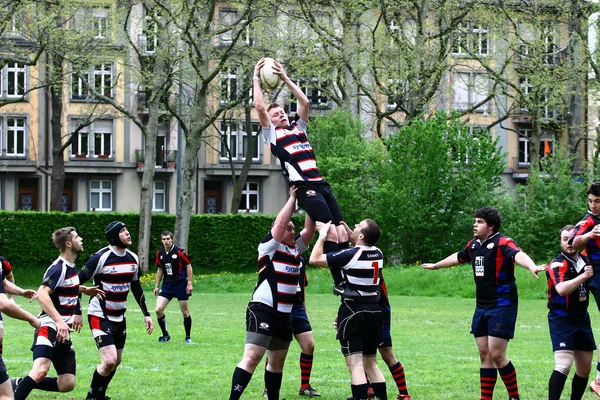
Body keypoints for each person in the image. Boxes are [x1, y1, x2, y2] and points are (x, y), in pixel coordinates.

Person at [421, 207, 542, 400]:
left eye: (479, 222)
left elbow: (518, 254)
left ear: (491, 226)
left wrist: (532, 266)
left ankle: (514, 397)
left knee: (496, 353)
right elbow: (458, 257)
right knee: (484, 353)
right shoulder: (474, 245)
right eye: (475, 221)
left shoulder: (503, 242)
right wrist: (436, 265)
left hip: (503, 304)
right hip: (482, 305)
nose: (474, 225)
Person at [253, 57, 349, 292]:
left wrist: (284, 77)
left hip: (321, 183)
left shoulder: (298, 129)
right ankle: (339, 282)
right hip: (305, 187)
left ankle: (347, 275)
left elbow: (304, 101)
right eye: (276, 115)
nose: (282, 116)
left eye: (283, 113)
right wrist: (256, 78)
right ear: (271, 123)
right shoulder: (273, 136)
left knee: (343, 230)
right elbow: (259, 107)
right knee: (330, 230)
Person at [229, 186, 315, 400]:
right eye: (289, 229)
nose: (292, 231)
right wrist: (293, 198)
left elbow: (310, 231)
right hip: (264, 310)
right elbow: (279, 223)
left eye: (294, 229)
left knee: (276, 364)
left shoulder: (294, 249)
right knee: (252, 357)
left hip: (284, 316)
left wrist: (312, 202)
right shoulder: (269, 247)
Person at [12, 227, 102, 399]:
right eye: (77, 237)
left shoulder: (71, 267)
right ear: (68, 244)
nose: (81, 239)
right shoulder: (58, 267)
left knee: (67, 383)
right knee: (40, 371)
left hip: (63, 332)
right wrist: (59, 321)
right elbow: (42, 294)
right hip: (49, 327)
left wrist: (83, 289)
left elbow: (65, 286)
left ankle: (18, 383)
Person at [309, 219, 388, 400]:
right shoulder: (378, 253)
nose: (353, 227)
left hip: (354, 311)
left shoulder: (350, 255)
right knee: (372, 363)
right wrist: (348, 233)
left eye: (357, 226)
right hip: (374, 311)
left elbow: (314, 259)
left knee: (356, 364)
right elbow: (359, 248)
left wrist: (322, 236)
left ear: (361, 235)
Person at [78, 221, 154, 400]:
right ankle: (91, 397)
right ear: (113, 237)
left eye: (128, 230)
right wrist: (76, 312)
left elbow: (137, 289)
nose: (128, 234)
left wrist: (147, 314)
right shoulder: (100, 257)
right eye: (123, 231)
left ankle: (100, 395)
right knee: (109, 360)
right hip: (99, 314)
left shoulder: (133, 258)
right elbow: (75, 282)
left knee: (116, 361)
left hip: (120, 316)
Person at [546, 224, 594, 400]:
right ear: (560, 242)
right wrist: (583, 276)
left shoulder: (586, 260)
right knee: (564, 364)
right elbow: (561, 289)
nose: (569, 242)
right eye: (565, 239)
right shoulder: (558, 263)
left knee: (584, 368)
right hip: (561, 319)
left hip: (582, 318)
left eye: (572, 238)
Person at [263, 256, 320, 397]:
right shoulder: (274, 256)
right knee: (275, 349)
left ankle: (305, 387)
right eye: (289, 231)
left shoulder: (300, 259)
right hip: (279, 306)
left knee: (309, 345)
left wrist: (304, 303)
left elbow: (303, 283)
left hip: (297, 308)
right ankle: (267, 388)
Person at [568, 181, 600, 396]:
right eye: (590, 201)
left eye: (597, 201)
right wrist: (589, 235)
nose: (593, 205)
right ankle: (599, 378)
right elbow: (573, 241)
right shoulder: (589, 220)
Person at [154, 230, 194, 344]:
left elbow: (188, 266)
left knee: (185, 311)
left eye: (168, 239)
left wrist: (189, 283)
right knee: (158, 310)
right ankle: (165, 334)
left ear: (172, 239)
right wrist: (156, 286)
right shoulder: (159, 253)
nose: (166, 241)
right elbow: (160, 269)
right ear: (161, 240)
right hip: (167, 285)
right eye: (164, 239)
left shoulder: (180, 252)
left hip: (180, 284)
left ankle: (187, 337)